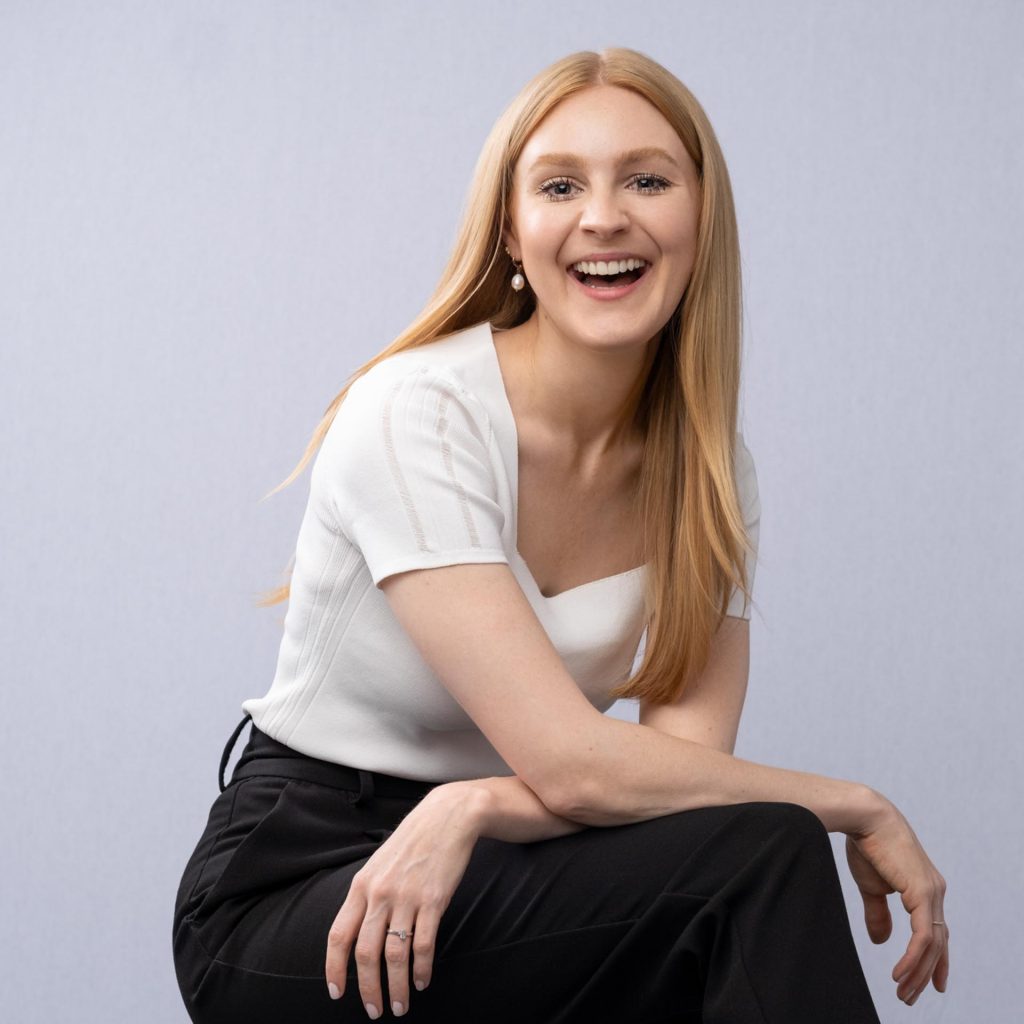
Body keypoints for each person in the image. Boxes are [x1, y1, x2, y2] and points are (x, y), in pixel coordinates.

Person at [172, 46, 949, 1023]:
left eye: (647, 179)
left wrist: (476, 803)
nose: (604, 216)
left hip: (501, 853)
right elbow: (580, 766)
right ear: (510, 227)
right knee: (766, 852)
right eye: (559, 185)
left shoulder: (707, 471)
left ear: (700, 219)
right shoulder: (418, 412)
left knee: (749, 854)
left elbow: (682, 782)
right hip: (302, 885)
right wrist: (858, 802)